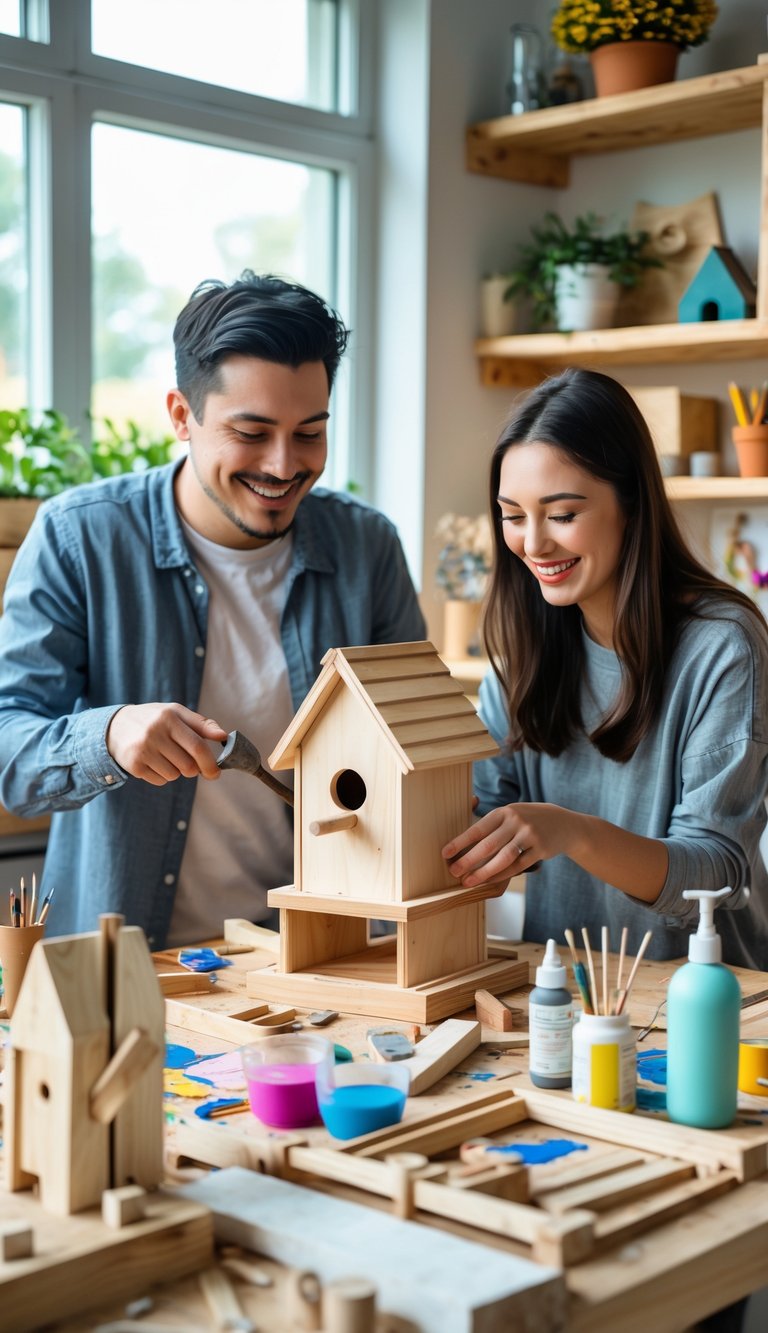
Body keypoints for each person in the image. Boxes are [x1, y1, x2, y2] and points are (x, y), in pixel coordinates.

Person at [0, 272, 425, 947]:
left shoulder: (366, 547)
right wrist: (107, 736)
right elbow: (10, 757)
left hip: (320, 959)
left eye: (309, 433)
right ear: (180, 415)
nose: (284, 465)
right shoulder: (79, 536)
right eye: (251, 433)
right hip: (131, 970)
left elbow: (414, 751)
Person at [442, 367, 768, 971]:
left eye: (562, 514)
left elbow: (717, 875)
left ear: (631, 505)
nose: (533, 544)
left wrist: (573, 832)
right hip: (563, 998)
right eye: (513, 515)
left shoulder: (723, 646)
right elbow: (483, 816)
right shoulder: (524, 646)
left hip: (712, 1007)